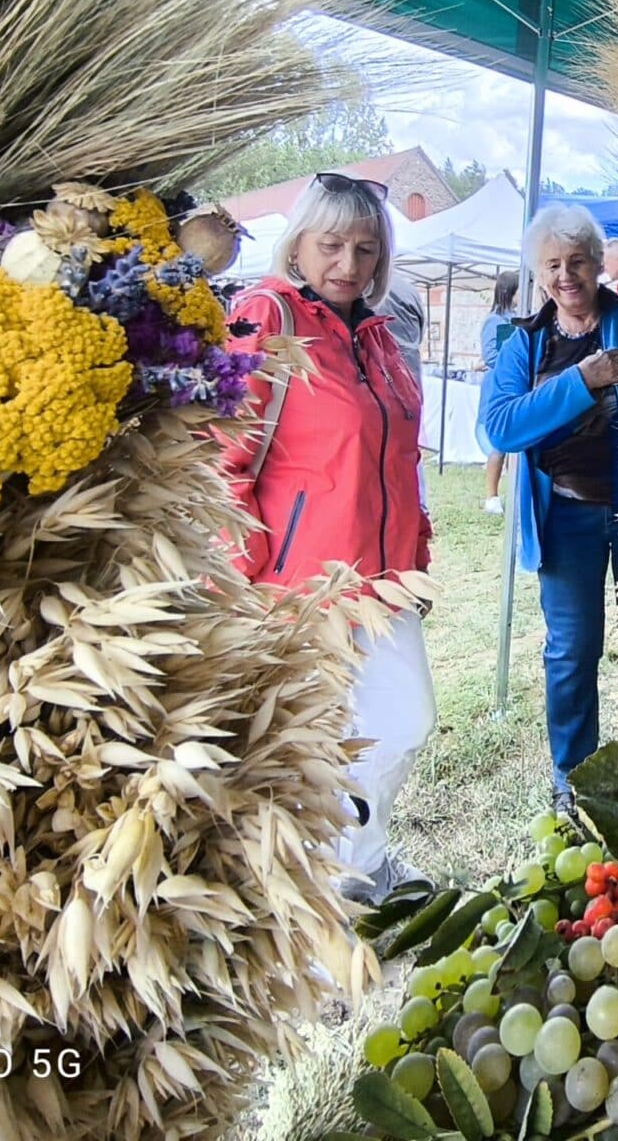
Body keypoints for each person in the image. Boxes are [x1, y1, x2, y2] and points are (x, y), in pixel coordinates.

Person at [219, 172, 435, 898]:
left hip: (383, 584)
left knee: (405, 722)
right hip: (299, 587)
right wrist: (245, 571)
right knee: (309, 747)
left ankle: (358, 859)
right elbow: (223, 455)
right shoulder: (265, 316)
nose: (348, 265)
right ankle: (315, 887)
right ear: (298, 244)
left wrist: (417, 557)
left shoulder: (376, 335)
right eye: (332, 244)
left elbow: (400, 459)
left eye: (366, 249)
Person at [482, 206, 618, 805]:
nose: (567, 275)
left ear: (598, 264)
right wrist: (583, 380)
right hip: (566, 517)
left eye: (578, 261)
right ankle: (576, 779)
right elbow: (501, 428)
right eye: (553, 265)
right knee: (572, 651)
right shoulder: (524, 343)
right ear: (537, 274)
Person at [476, 270, 520, 515]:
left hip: (513, 386)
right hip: (497, 387)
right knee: (498, 444)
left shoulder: (515, 318)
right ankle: (491, 497)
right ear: (508, 292)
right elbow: (490, 355)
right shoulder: (494, 321)